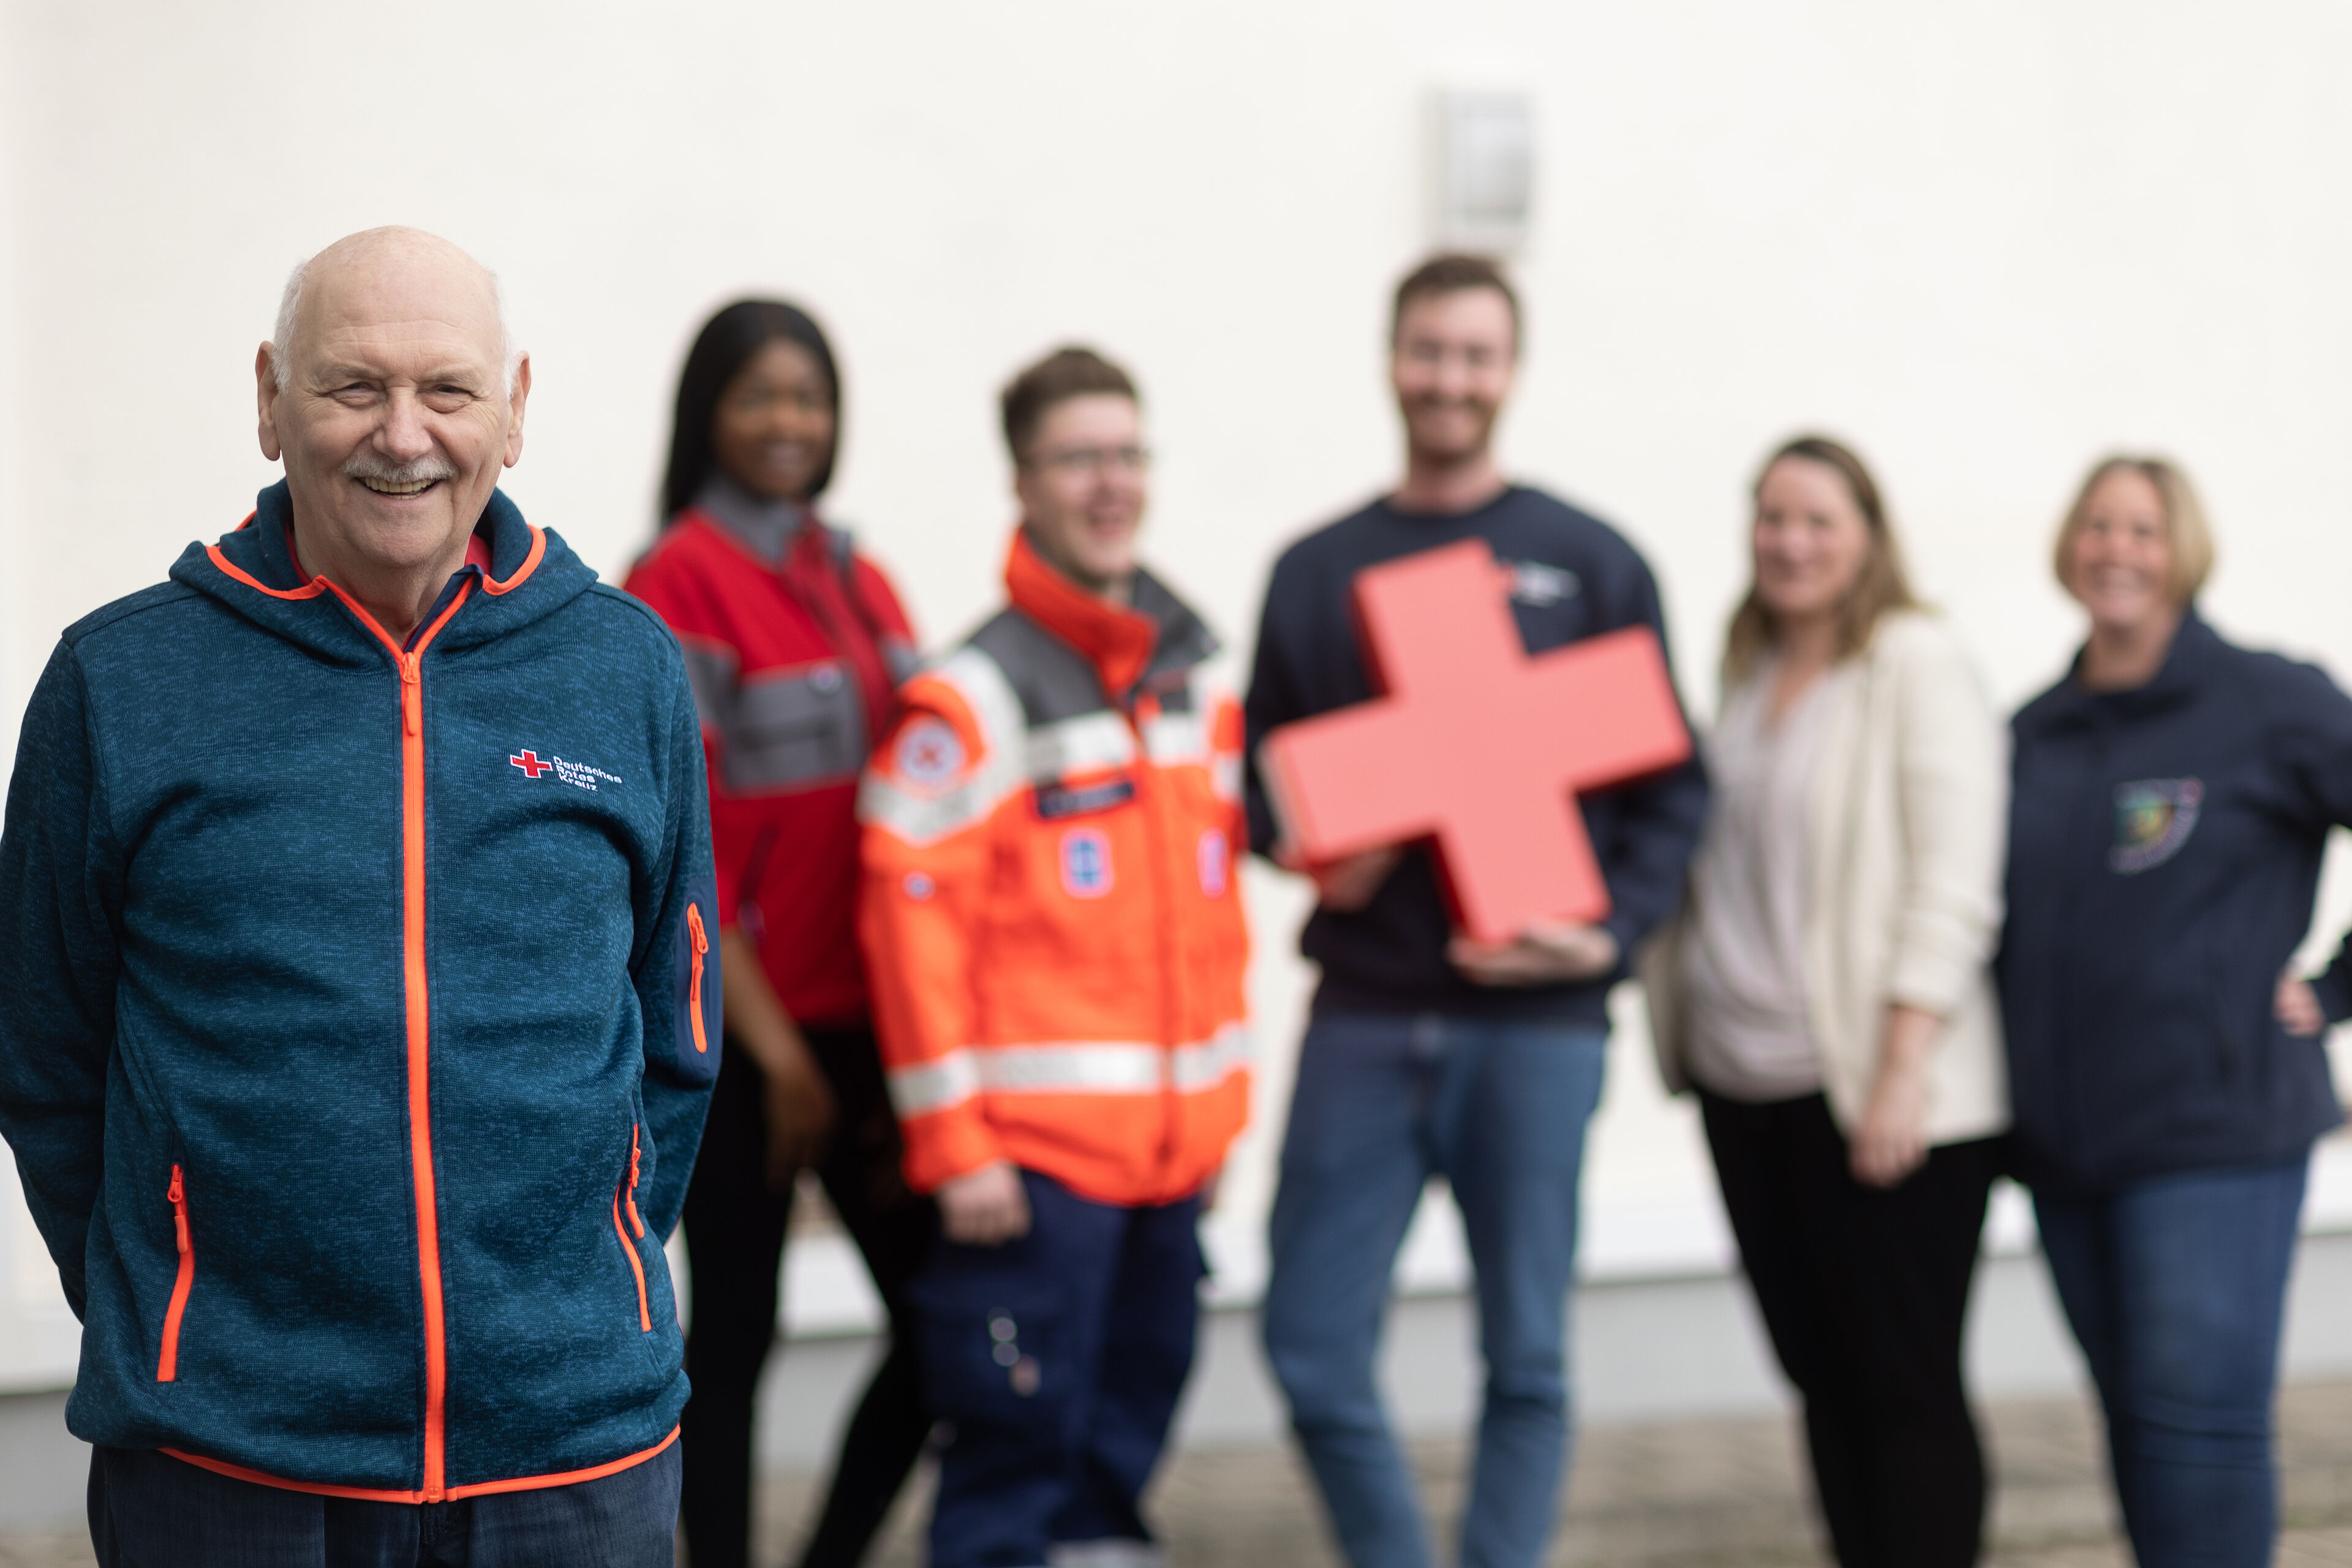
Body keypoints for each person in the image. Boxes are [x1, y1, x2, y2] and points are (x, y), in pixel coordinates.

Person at [0, 227, 715, 1566]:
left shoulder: (624, 669)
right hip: (229, 1462)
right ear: (271, 400)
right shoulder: (120, 683)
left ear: (514, 409)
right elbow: (44, 1055)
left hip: (574, 1456)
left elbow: (675, 1040)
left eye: (448, 389)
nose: (403, 434)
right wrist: (176, 1313)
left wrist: (577, 1281)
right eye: (351, 387)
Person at [1243, 254, 1709, 1568]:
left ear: (1512, 370)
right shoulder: (1315, 569)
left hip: (1539, 1023)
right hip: (1367, 1014)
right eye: (1429, 351)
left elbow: (1677, 790)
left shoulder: (1592, 560)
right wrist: (1310, 849)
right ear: (1392, 359)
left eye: (1476, 355)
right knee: (1309, 1342)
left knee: (1529, 1356)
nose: (1450, 379)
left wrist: (1607, 935)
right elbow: (1260, 784)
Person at [856, 346, 1251, 1568]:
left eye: (1127, 454)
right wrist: (957, 1147)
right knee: (1009, 1479)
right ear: (1023, 480)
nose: (1110, 483)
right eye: (1079, 458)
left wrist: (1216, 1123)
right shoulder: (972, 699)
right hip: (1032, 1181)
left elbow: (1214, 915)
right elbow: (908, 925)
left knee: (1116, 1471)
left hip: (1169, 1171)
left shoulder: (1192, 680)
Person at [1642, 436, 2009, 1567]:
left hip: (1877, 1092)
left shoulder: (1913, 662)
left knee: (1902, 1384)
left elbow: (1954, 879)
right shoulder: (1746, 675)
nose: (1791, 543)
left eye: (1818, 521)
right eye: (1772, 518)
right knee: (1821, 1378)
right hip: (1745, 1085)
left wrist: (1902, 1070)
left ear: (1868, 537)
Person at [625, 300, 935, 1568]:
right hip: (744, 1043)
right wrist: (781, 1056)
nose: (787, 421)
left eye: (808, 395)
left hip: (873, 1025)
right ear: (708, 412)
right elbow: (684, 853)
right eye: (758, 395)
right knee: (736, 1344)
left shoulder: (858, 574)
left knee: (943, 1323)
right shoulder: (675, 581)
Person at [2002, 454, 2352, 1568]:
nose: (2118, 550)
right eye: (2098, 526)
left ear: (2185, 550)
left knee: (2200, 1429)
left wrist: (2340, 988)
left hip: (2213, 1137)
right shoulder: (2036, 732)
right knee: (2138, 1427)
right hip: (2067, 1150)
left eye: (2144, 530)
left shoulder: (2270, 702)